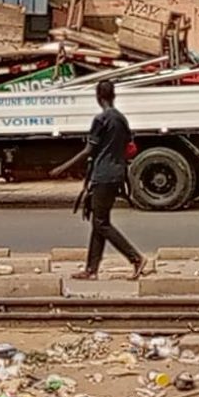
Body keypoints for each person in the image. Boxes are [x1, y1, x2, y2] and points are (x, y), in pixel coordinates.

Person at [50, 80, 147, 281]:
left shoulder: (101, 120)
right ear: (113, 96)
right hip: (117, 173)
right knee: (99, 221)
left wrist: (63, 168)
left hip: (103, 175)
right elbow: (129, 147)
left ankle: (135, 258)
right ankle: (91, 269)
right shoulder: (121, 119)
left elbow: (88, 150)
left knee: (101, 223)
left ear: (98, 97)